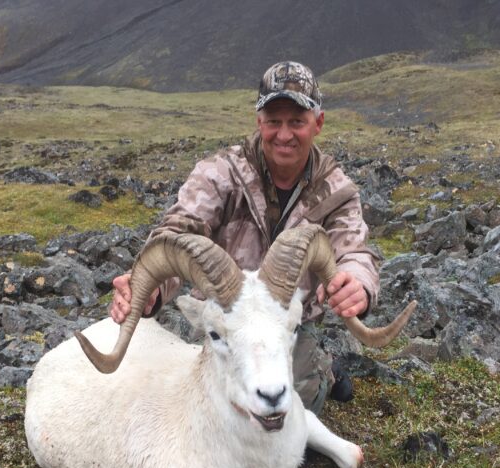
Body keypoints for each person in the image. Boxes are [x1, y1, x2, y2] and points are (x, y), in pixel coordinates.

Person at [109, 61, 379, 414]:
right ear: (259, 122)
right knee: (201, 403)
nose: (284, 134)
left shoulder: (337, 191)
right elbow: (179, 234)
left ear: (318, 123)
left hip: (286, 323)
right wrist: (150, 290)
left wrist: (357, 284)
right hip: (227, 317)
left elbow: (353, 251)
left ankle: (321, 369)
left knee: (296, 399)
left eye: (296, 121)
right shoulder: (220, 174)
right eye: (274, 121)